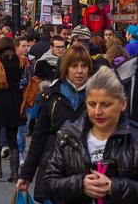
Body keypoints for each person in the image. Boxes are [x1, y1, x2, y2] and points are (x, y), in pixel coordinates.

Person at [43, 67, 138, 203]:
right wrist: (80, 185)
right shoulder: (69, 135)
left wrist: (114, 187)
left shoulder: (134, 138)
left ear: (123, 104)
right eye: (92, 104)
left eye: (106, 105)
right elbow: (49, 184)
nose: (97, 111)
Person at [16, 45, 93, 203]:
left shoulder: (96, 97)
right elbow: (39, 137)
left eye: (84, 66)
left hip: (85, 176)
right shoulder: (51, 96)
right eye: (74, 66)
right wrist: (26, 174)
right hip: (53, 172)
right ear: (65, 68)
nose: (80, 71)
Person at [0, 37, 25, 182]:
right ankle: (14, 173)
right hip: (15, 102)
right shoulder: (21, 61)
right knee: (12, 137)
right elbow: (24, 83)